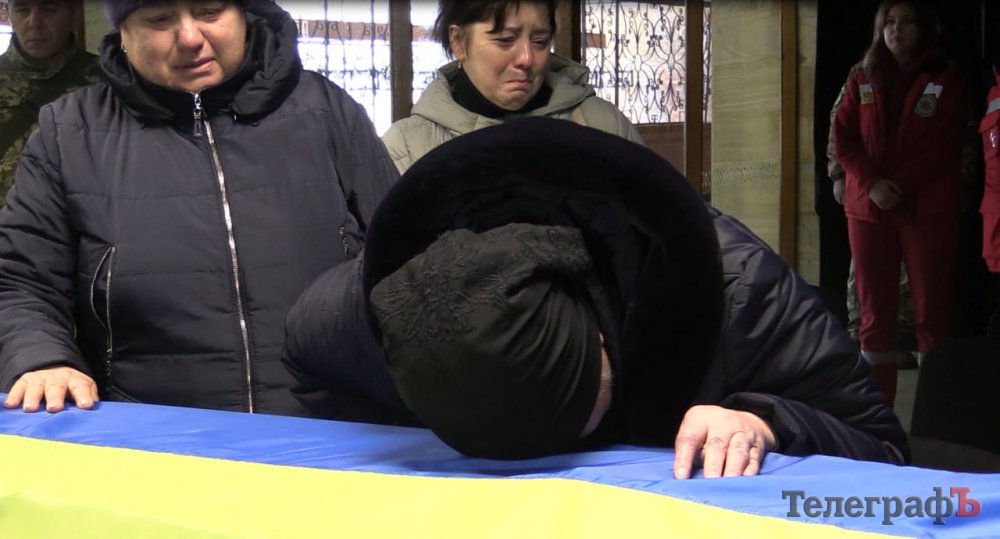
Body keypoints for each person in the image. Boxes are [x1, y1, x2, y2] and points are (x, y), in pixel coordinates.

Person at [284, 117, 909, 479]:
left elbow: (885, 449)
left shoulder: (740, 292)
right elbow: (302, 353)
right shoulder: (386, 311)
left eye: (581, 422)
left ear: (604, 335)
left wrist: (765, 421)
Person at [0, 0, 397, 415]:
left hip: (336, 426)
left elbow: (404, 257)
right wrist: (42, 358)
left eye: (210, 11)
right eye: (159, 19)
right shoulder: (69, 132)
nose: (190, 38)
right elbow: (22, 281)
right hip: (150, 432)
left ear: (243, 14)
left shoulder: (327, 110)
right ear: (123, 33)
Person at [833, 0, 966, 406]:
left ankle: (934, 413)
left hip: (925, 208)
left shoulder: (946, 76)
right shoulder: (862, 74)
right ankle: (878, 418)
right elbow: (843, 137)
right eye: (889, 22)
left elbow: (945, 143)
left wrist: (900, 185)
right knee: (874, 317)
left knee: (931, 313)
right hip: (869, 208)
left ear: (923, 28)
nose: (896, 29)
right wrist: (873, 184)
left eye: (906, 22)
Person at [381, 0, 642, 174]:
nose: (526, 59)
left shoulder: (601, 124)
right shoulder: (406, 148)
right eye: (505, 40)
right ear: (458, 42)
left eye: (540, 42)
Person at [826, 84, 917, 364]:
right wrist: (838, 174)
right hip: (865, 188)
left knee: (907, 274)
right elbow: (840, 126)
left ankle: (900, 339)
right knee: (865, 271)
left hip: (911, 188)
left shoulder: (931, 73)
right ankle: (859, 336)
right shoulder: (863, 74)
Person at [0, 0, 101, 206]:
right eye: (22, 10)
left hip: (81, 219)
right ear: (8, 15)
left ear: (74, 14)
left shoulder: (107, 81)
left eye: (49, 9)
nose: (34, 22)